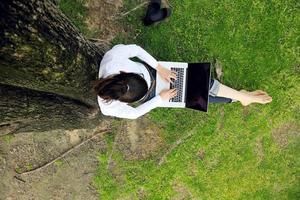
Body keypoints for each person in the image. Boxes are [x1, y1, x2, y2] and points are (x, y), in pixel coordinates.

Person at [94, 44, 272, 119]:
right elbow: (134, 114)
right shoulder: (107, 107)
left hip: (157, 72)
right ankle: (242, 97)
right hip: (157, 96)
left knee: (202, 82)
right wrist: (159, 99)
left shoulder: (113, 59)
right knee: (201, 97)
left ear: (124, 72)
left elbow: (136, 50)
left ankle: (242, 97)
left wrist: (159, 67)